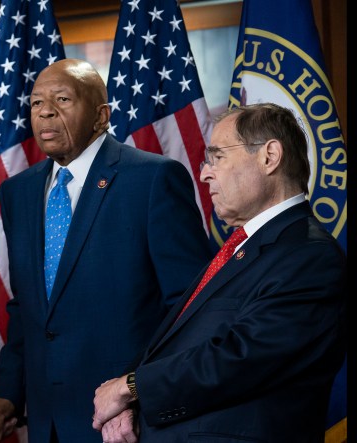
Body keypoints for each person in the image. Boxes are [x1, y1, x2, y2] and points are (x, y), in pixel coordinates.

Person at [0, 58, 212, 443]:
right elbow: (29, 308)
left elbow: (189, 307)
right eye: (36, 103)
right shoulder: (18, 192)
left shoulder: (152, 179)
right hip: (47, 421)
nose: (45, 111)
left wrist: (139, 392)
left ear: (101, 116)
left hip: (129, 422)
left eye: (62, 99)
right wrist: (7, 394)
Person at [91, 103, 347, 443]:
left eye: (218, 158)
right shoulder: (239, 249)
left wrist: (132, 387)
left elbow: (242, 358)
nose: (204, 174)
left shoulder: (309, 256)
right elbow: (179, 341)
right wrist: (130, 401)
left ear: (269, 156)